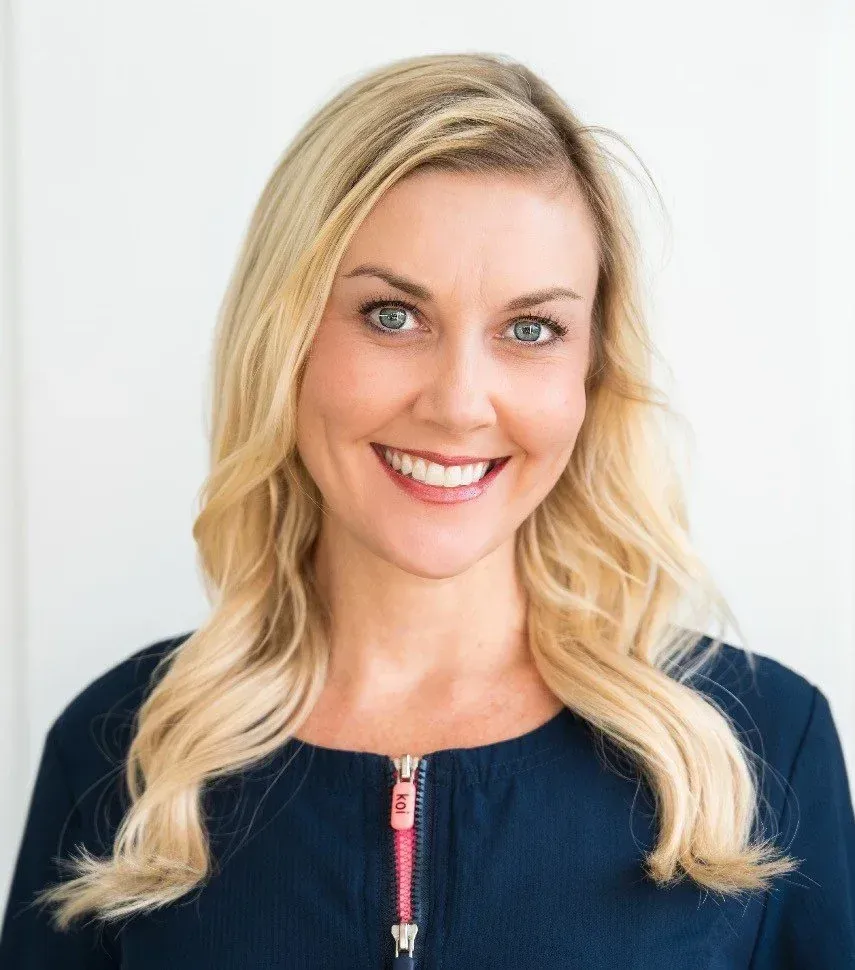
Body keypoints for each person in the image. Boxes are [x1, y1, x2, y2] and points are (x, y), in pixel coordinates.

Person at [1, 51, 853, 970]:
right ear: (281, 340)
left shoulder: (761, 746)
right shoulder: (125, 754)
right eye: (391, 316)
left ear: (589, 375)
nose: (457, 404)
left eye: (530, 331)